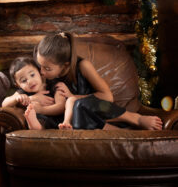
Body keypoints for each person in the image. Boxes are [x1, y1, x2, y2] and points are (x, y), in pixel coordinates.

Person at [25, 32, 163, 130]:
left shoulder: (83, 66)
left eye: (47, 68)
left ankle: (134, 118)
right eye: (39, 65)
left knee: (78, 106)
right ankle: (123, 134)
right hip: (81, 121)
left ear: (65, 65)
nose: (41, 72)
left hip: (100, 110)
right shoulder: (45, 75)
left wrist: (73, 97)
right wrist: (34, 98)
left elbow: (107, 97)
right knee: (76, 119)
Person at [2, 56, 66, 130]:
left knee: (39, 116)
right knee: (32, 116)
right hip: (38, 120)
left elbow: (61, 106)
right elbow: (4, 104)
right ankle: (35, 126)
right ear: (18, 85)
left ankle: (36, 126)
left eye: (32, 75)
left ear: (39, 72)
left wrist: (42, 109)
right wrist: (16, 98)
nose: (30, 81)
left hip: (56, 120)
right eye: (23, 80)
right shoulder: (23, 92)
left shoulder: (53, 85)